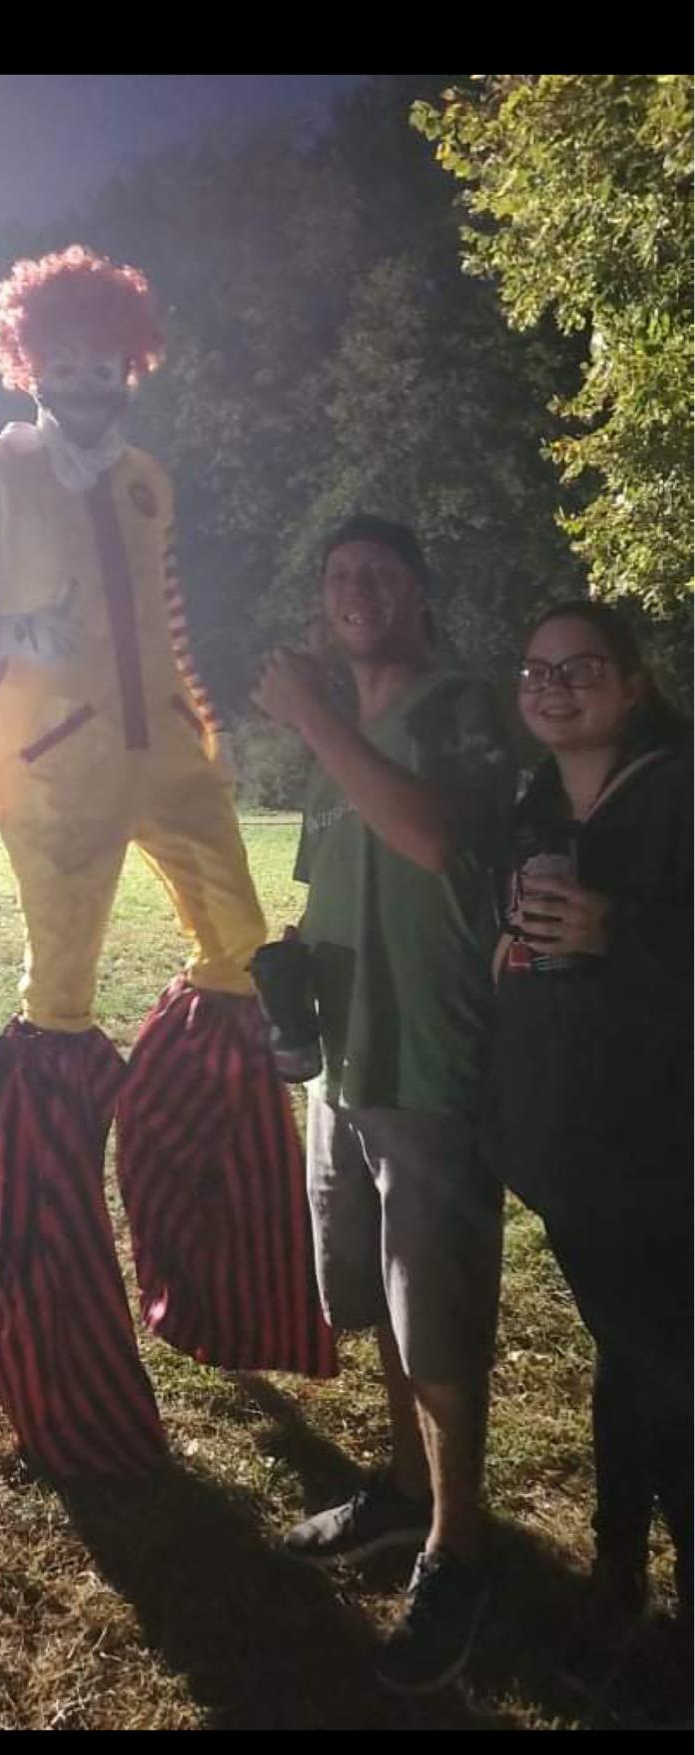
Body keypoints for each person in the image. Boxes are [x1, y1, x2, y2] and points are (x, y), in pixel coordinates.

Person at [0, 245, 334, 1483]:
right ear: (30, 361)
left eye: (110, 364)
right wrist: (9, 639)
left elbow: (169, 619)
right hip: (58, 770)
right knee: (58, 1008)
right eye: (68, 362)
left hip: (170, 760)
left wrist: (206, 720)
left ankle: (201, 1228)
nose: (90, 383)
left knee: (243, 959)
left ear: (131, 364)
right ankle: (60, 1321)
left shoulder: (150, 481)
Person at [252, 514, 514, 1694]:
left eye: (376, 572)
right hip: (346, 1066)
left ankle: (460, 1548)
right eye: (336, 575)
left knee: (438, 1310)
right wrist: (287, 971)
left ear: (417, 591)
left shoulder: (462, 707)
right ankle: (406, 1489)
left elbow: (432, 839)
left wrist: (315, 719)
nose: (353, 589)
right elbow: (337, 883)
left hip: (429, 1062)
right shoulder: (338, 740)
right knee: (377, 1299)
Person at [484, 600, 692, 1690]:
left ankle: (655, 1606)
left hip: (662, 1145)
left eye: (581, 668)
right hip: (567, 1145)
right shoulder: (535, 806)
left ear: (633, 685)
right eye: (535, 670)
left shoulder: (678, 793)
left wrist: (622, 931)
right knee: (633, 1358)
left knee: (668, 1369)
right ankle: (617, 1578)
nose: (553, 686)